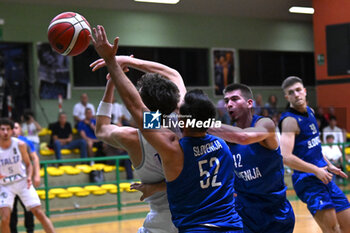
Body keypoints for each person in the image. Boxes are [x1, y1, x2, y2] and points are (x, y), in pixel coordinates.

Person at [91, 25, 243, 233]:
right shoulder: (213, 139)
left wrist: (114, 69)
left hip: (177, 222)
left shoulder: (154, 139)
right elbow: (172, 76)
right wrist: (126, 62)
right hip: (223, 221)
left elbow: (106, 126)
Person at [90, 52, 187, 231]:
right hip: (193, 216)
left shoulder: (134, 138)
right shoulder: (184, 120)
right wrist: (130, 61)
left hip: (163, 221)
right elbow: (173, 74)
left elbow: (101, 129)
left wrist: (111, 83)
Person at [208, 83, 295, 233]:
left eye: (235, 99)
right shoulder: (226, 136)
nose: (229, 104)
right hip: (244, 214)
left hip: (275, 215)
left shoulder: (265, 124)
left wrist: (202, 123)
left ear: (249, 103)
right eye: (227, 100)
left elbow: (243, 137)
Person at [279, 76, 350, 233]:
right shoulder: (290, 121)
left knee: (347, 225)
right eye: (291, 92)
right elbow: (285, 156)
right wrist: (315, 170)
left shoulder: (311, 112)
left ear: (304, 91)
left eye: (298, 90)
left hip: (324, 174)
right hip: (307, 180)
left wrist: (329, 165)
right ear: (287, 97)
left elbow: (314, 147)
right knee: (333, 230)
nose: (296, 94)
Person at [0, 118, 56, 233]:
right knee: (5, 218)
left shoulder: (20, 145)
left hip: (22, 181)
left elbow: (28, 164)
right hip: (5, 185)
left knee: (39, 213)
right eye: (2, 129)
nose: (5, 132)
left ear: (12, 131)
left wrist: (30, 176)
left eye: (8, 129)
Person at [10, 122, 41, 233]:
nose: (13, 130)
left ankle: (30, 230)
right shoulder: (4, 143)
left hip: (24, 181)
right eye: (12, 127)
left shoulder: (26, 142)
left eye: (16, 128)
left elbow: (35, 159)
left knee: (29, 208)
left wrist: (37, 175)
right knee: (10, 212)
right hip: (9, 183)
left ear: (20, 130)